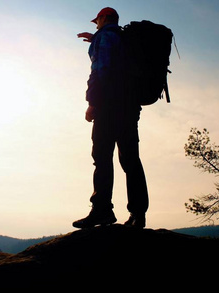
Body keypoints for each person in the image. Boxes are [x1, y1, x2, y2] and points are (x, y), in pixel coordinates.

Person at [73, 7, 149, 229]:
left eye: (97, 20)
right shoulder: (124, 38)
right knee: (131, 160)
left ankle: (102, 211)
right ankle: (138, 215)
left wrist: (92, 103)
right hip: (129, 108)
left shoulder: (105, 37)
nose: (95, 24)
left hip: (109, 107)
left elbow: (101, 70)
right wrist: (95, 40)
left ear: (105, 18)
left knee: (102, 157)